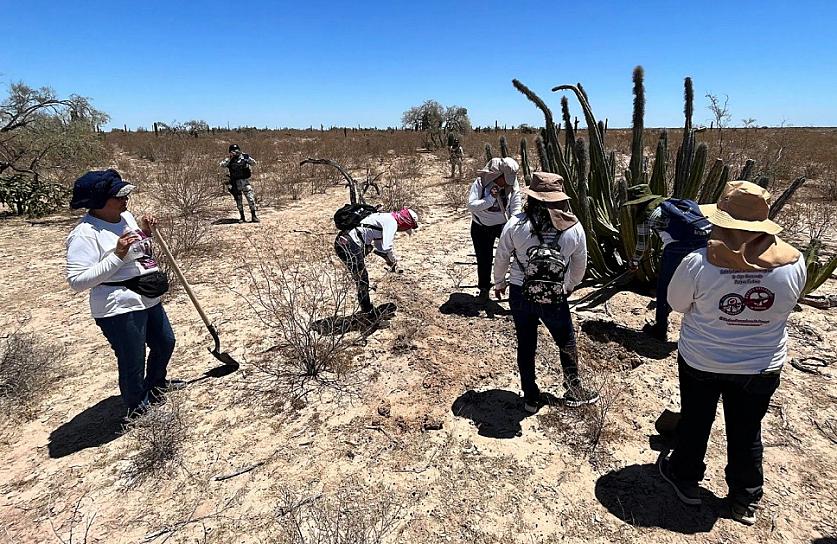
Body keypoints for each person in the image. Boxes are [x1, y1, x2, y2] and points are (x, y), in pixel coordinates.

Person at [658, 180, 807, 525]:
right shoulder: (794, 262)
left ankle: (686, 478)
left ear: (721, 220)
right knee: (746, 427)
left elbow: (676, 303)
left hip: (702, 360)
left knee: (697, 419)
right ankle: (745, 497)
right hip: (761, 364)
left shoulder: (699, 262)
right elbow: (788, 304)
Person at [66, 169, 181, 417]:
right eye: (117, 197)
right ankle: (136, 404)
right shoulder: (85, 234)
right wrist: (116, 256)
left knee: (165, 342)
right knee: (132, 357)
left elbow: (137, 250)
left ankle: (157, 385)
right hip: (117, 304)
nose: (124, 200)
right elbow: (77, 281)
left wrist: (146, 233)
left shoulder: (125, 216)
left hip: (146, 295)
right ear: (98, 202)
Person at [493, 172, 599, 412]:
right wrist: (568, 286)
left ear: (532, 196)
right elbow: (579, 266)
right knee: (565, 340)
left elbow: (502, 256)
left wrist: (499, 282)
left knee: (526, 343)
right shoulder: (574, 228)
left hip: (521, 291)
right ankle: (573, 390)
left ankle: (530, 395)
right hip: (554, 295)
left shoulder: (516, 223)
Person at [622, 184, 711, 341]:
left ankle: (660, 329)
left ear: (636, 204)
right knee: (700, 286)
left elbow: (642, 245)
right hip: (705, 241)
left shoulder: (645, 217)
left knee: (664, 287)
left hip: (678, 248)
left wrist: (634, 261)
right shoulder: (669, 203)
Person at [334, 207, 419, 321]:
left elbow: (379, 246)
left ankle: (367, 311)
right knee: (362, 280)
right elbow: (386, 247)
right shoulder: (392, 222)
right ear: (405, 223)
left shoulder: (384, 217)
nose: (403, 231)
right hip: (349, 245)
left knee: (361, 279)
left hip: (343, 241)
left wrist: (391, 260)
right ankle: (368, 316)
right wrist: (392, 261)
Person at [467, 157, 522, 301]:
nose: (507, 183)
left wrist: (514, 228)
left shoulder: (512, 184)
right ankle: (484, 287)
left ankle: (518, 285)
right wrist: (490, 199)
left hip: (502, 226)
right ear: (498, 175)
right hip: (480, 226)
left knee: (515, 252)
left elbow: (516, 207)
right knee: (484, 258)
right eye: (505, 178)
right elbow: (472, 205)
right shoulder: (481, 182)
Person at [220, 144, 259, 223]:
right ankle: (242, 217)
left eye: (236, 150)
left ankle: (254, 216)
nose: (235, 152)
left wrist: (247, 157)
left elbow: (254, 163)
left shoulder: (244, 157)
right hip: (235, 183)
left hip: (245, 182)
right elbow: (221, 165)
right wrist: (230, 158)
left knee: (251, 199)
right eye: (233, 151)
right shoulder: (230, 160)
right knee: (239, 201)